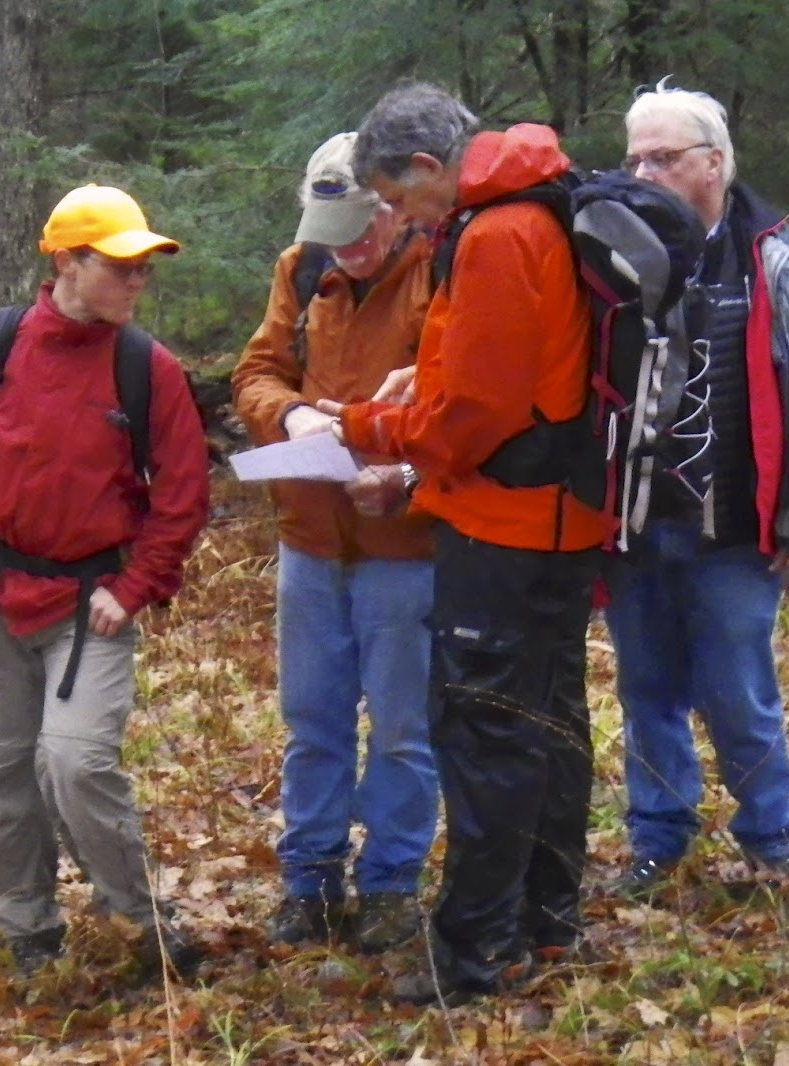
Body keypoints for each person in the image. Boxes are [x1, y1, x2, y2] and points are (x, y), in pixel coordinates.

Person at [317, 82, 604, 1006]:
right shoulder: (533, 208)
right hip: (560, 518)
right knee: (551, 723)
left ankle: (478, 950)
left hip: (506, 526)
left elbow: (473, 413)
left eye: (401, 200)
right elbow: (495, 371)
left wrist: (370, 427)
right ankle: (548, 920)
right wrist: (418, 387)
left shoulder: (495, 234)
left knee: (485, 734)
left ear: (431, 169)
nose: (403, 219)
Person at [0, 183, 212, 980]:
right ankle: (26, 932)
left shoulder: (150, 367)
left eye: (145, 269)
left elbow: (183, 495)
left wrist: (137, 585)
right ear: (69, 264)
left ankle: (137, 920)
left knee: (76, 762)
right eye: (122, 267)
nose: (138, 282)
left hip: (91, 607)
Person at [605, 82, 789, 894]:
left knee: (737, 691)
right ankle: (659, 836)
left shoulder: (783, 263)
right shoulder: (613, 259)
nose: (645, 173)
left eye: (664, 157)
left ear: (714, 165)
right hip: (639, 525)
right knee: (646, 692)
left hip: (741, 530)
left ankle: (770, 834)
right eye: (635, 157)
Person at [230, 132, 438, 953]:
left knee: (401, 728)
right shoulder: (302, 268)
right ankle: (308, 883)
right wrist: (293, 417)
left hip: (404, 545)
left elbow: (467, 407)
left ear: (392, 207)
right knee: (312, 722)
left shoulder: (438, 270)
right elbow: (255, 373)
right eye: (332, 233)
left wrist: (405, 473)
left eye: (359, 229)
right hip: (310, 538)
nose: (346, 249)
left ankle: (390, 884)